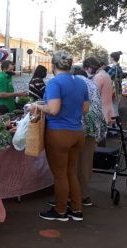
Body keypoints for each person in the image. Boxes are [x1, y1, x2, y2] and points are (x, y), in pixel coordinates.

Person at [31, 51, 89, 222]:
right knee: (71, 172)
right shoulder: (80, 82)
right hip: (78, 132)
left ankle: (60, 211)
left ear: (53, 65)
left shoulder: (54, 82)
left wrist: (37, 106)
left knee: (60, 175)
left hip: (58, 133)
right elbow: (85, 109)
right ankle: (76, 209)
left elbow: (54, 110)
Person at [70, 66, 107, 207]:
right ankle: (84, 196)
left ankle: (71, 197)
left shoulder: (75, 83)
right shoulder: (92, 83)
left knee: (72, 163)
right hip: (94, 126)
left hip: (78, 125)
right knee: (86, 162)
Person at [83, 57, 114, 125]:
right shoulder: (104, 74)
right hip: (107, 107)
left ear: (90, 68)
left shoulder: (99, 77)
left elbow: (93, 94)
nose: (86, 72)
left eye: (86, 69)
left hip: (101, 110)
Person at [107, 51, 124, 118]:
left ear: (112, 58)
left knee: (114, 109)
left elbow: (106, 77)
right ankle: (117, 125)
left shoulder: (114, 68)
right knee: (115, 108)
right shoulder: (119, 67)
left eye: (110, 57)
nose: (109, 59)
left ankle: (115, 125)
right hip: (118, 89)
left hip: (114, 91)